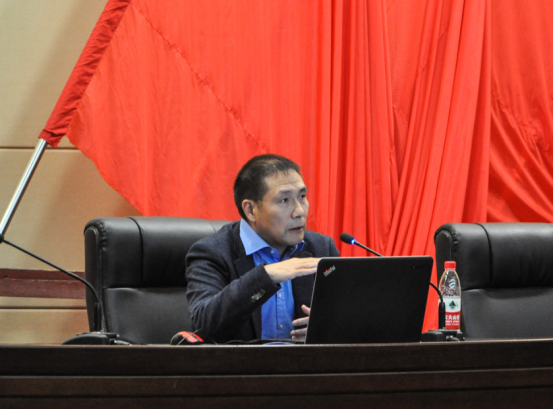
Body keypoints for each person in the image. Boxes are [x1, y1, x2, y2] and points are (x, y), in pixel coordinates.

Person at [185, 154, 339, 343]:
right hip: (242, 361)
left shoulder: (321, 248)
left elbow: (346, 317)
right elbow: (203, 327)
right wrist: (266, 277)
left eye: (302, 196)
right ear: (251, 210)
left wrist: (327, 328)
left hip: (305, 361)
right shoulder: (212, 253)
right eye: (284, 200)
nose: (299, 211)